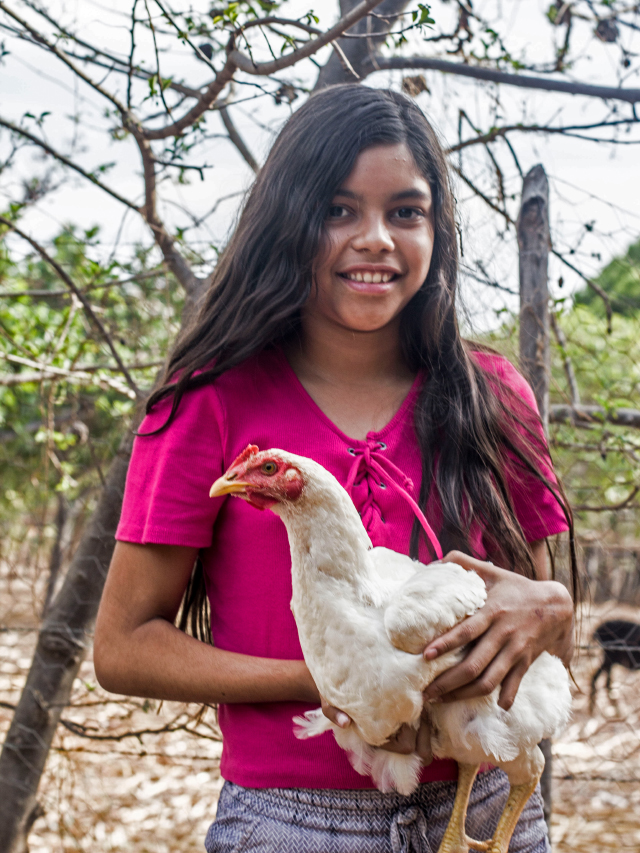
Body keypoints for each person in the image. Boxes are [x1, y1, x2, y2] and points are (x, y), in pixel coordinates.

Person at [94, 85, 577, 853]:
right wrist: (331, 674)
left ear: (436, 229)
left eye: (406, 212)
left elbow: (540, 625)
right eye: (339, 210)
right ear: (290, 221)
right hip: (297, 822)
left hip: (480, 809)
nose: (376, 238)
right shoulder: (208, 403)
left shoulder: (494, 396)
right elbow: (122, 646)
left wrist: (550, 608)